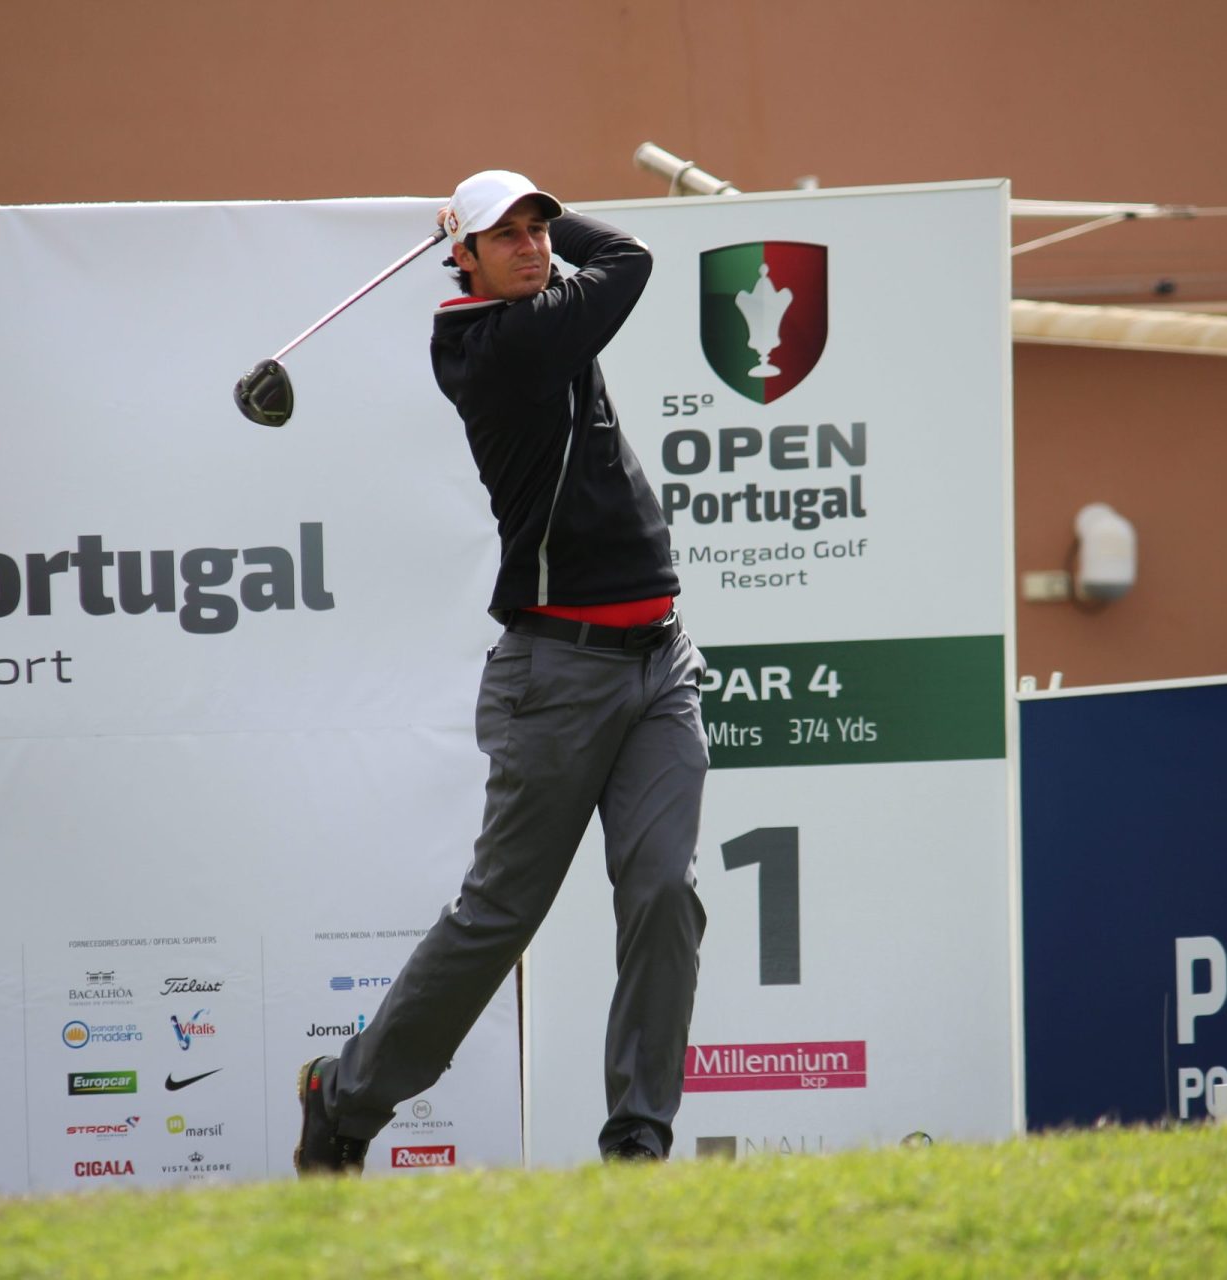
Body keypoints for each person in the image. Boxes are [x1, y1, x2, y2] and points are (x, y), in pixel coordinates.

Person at [294, 170, 709, 1174]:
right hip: (556, 678)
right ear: (464, 260)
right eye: (506, 235)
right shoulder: (501, 345)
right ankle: (344, 1096)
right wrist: (555, 224)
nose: (532, 244)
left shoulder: (534, 312)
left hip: (661, 660)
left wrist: (508, 213)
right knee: (499, 914)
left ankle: (638, 1140)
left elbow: (597, 266)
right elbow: (633, 258)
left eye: (539, 226)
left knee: (665, 891)